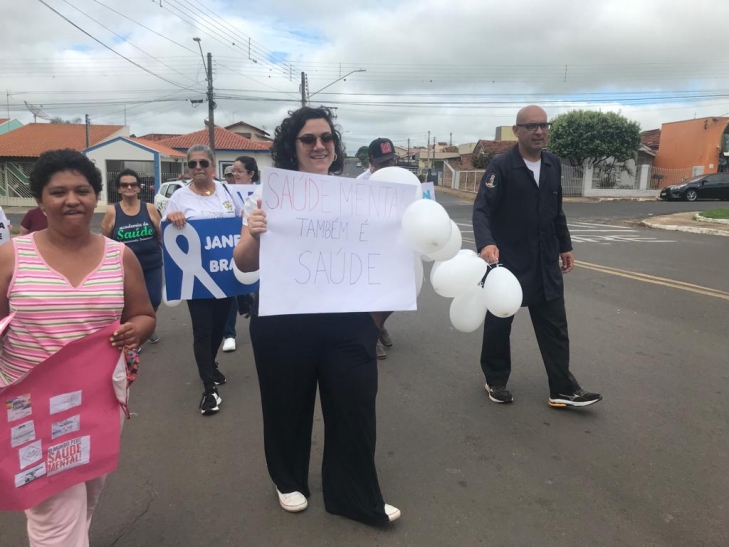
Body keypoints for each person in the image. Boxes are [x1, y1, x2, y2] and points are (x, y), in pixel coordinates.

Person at [234, 107, 400, 524]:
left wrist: (373, 322)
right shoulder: (266, 197)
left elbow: (387, 258)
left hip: (346, 323)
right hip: (283, 321)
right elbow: (244, 265)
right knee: (285, 405)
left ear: (336, 146)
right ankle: (288, 479)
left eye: (326, 138)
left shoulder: (358, 197)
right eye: (308, 139)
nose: (319, 145)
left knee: (354, 408)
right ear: (292, 147)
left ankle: (353, 494)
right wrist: (255, 233)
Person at [0, 148, 156, 546]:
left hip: (98, 402)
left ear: (95, 197)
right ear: (40, 201)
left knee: (86, 493)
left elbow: (143, 313)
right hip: (29, 409)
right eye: (58, 192)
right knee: (52, 513)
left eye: (82, 190)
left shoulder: (120, 256)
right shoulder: (11, 257)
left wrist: (134, 331)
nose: (72, 200)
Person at [472, 105, 602, 408]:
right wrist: (486, 243)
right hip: (508, 261)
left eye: (544, 125)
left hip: (544, 259)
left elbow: (556, 210)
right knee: (499, 322)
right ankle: (495, 380)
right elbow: (482, 210)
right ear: (517, 131)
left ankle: (562, 389)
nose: (539, 131)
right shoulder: (501, 166)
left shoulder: (553, 164)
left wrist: (565, 245)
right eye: (531, 126)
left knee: (555, 326)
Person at [163, 144, 240, 415]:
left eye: (203, 163)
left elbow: (240, 224)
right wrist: (171, 217)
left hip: (225, 275)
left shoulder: (227, 192)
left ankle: (211, 365)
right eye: (192, 164)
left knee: (219, 327)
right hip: (195, 277)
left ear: (213, 165)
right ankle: (209, 388)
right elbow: (166, 231)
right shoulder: (179, 197)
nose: (198, 168)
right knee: (203, 331)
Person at [101, 169, 163, 344]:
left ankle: (147, 325)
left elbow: (160, 235)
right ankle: (130, 331)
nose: (129, 187)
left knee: (154, 299)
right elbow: (106, 240)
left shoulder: (149, 208)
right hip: (124, 267)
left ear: (139, 187)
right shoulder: (112, 211)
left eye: (133, 184)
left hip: (151, 264)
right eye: (124, 185)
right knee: (126, 303)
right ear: (119, 188)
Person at [357, 137, 400, 359]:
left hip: (395, 246)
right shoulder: (360, 184)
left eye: (392, 161)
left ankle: (379, 325)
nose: (389, 166)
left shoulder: (402, 180)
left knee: (398, 296)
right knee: (374, 296)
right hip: (370, 248)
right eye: (383, 162)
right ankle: (372, 336)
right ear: (372, 161)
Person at [222, 156, 260, 353]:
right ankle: (229, 333)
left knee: (255, 289)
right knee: (231, 288)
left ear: (251, 173)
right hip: (229, 246)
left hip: (255, 247)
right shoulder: (224, 192)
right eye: (232, 171)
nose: (234, 174)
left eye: (239, 171)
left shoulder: (262, 193)